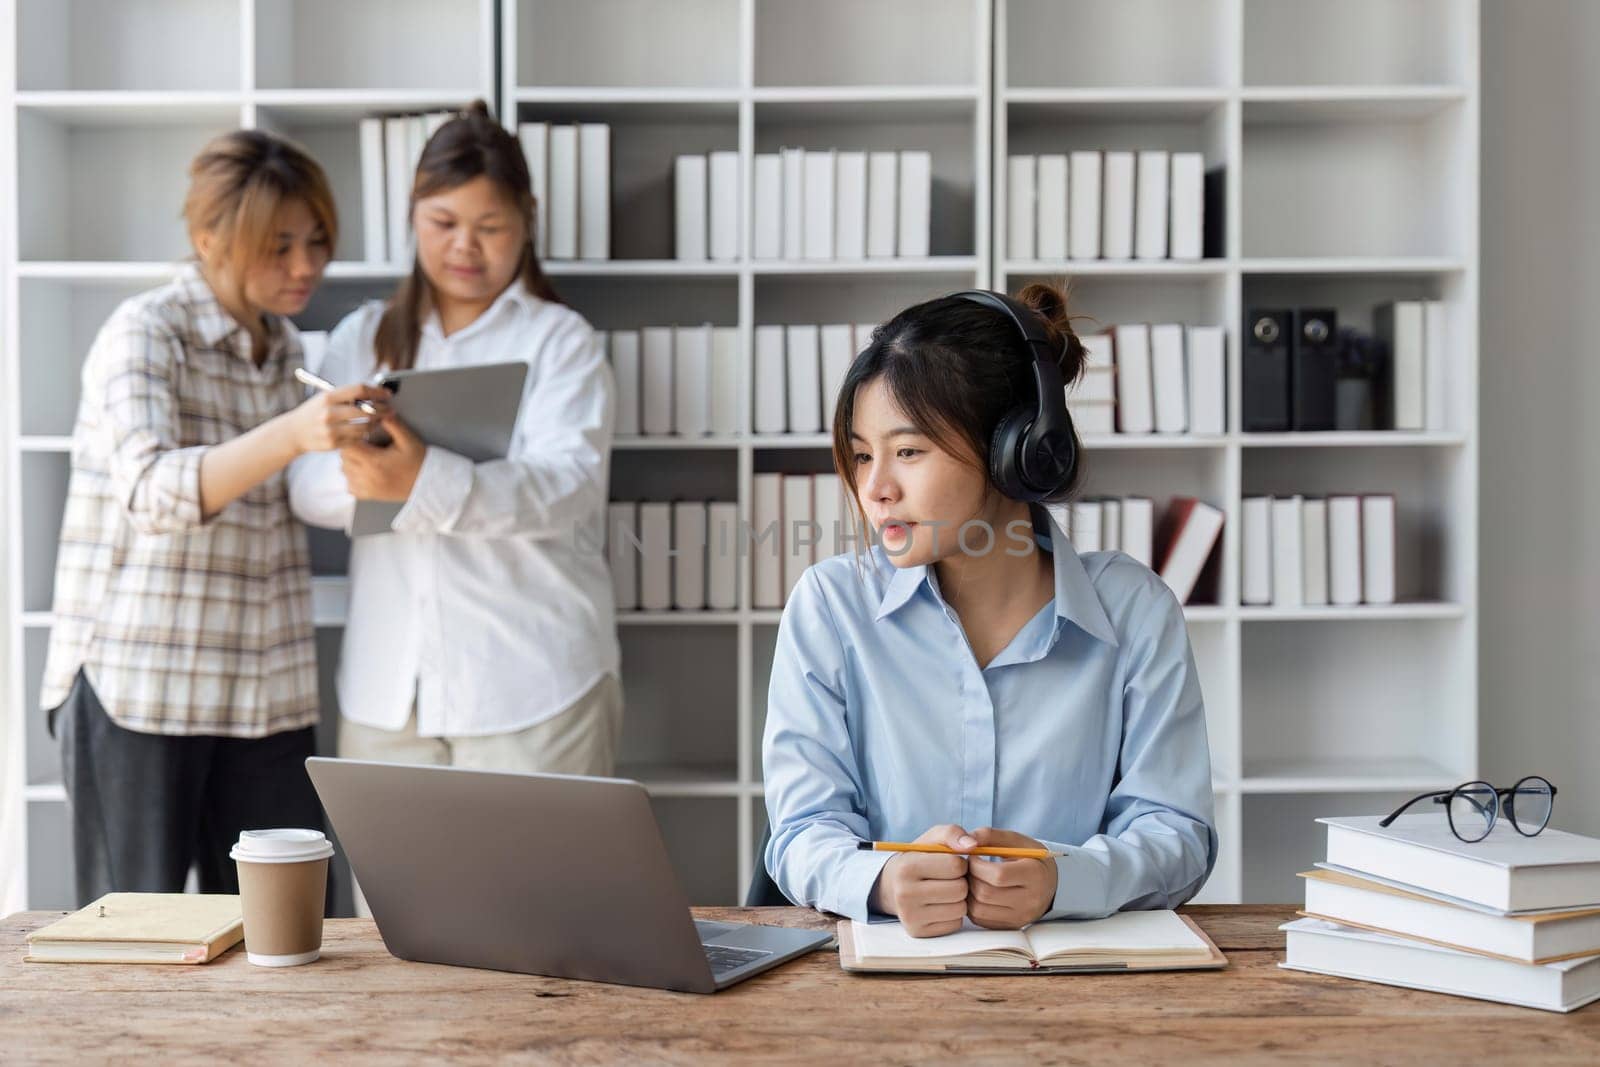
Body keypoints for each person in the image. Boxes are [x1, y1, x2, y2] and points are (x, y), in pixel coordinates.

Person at [762, 284, 1217, 937]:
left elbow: (1178, 834)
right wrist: (882, 880)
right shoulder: (831, 607)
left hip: (1083, 1002)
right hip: (883, 998)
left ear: (1020, 449)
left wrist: (1062, 877)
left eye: (908, 451)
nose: (875, 488)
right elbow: (800, 833)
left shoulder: (1135, 612)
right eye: (863, 454)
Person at [40, 130, 389, 905]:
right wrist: (294, 433)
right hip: (141, 691)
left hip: (266, 695)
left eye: (317, 240)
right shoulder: (145, 332)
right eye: (278, 246)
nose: (305, 265)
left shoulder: (292, 350)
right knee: (135, 947)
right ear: (207, 239)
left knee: (299, 940)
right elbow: (153, 492)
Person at [288, 102, 620, 791]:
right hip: (388, 694)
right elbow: (306, 484)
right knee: (391, 902)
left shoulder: (561, 342)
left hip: (532, 687)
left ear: (525, 220)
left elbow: (569, 486)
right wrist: (378, 477)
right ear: (413, 217)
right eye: (443, 224)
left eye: (489, 227)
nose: (465, 248)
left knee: (538, 900)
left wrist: (421, 479)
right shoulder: (364, 335)